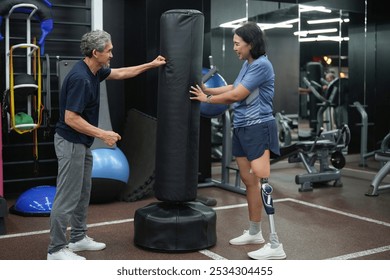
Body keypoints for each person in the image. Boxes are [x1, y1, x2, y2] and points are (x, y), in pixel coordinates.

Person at [47, 29, 166, 260]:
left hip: (82, 143)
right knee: (67, 196)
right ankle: (55, 249)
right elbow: (71, 118)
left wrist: (150, 65)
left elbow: (121, 73)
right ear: (96, 52)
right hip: (70, 143)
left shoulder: (95, 71)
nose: (112, 54)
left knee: (83, 192)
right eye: (109, 50)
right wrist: (103, 134)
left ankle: (78, 237)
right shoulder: (81, 78)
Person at [190, 22, 286, 260]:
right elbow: (234, 86)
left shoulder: (262, 65)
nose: (234, 47)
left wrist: (206, 99)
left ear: (250, 44)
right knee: (248, 180)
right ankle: (255, 232)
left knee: (262, 178)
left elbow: (236, 95)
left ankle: (276, 244)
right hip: (242, 126)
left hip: (258, 127)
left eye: (237, 43)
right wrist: (207, 90)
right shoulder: (248, 64)